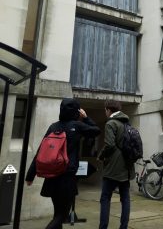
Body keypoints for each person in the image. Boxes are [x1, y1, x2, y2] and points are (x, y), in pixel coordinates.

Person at [26, 98, 101, 229]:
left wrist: (30, 175)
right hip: (67, 176)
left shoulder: (53, 126)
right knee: (62, 215)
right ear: (76, 111)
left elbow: (40, 151)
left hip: (52, 175)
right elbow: (96, 130)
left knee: (57, 213)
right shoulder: (77, 125)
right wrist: (86, 117)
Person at [98, 99, 135, 229]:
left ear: (108, 110)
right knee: (125, 198)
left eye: (105, 110)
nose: (105, 112)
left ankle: (103, 227)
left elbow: (109, 145)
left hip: (113, 168)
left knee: (105, 198)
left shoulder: (111, 123)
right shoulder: (127, 123)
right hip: (127, 167)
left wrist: (101, 156)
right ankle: (123, 227)